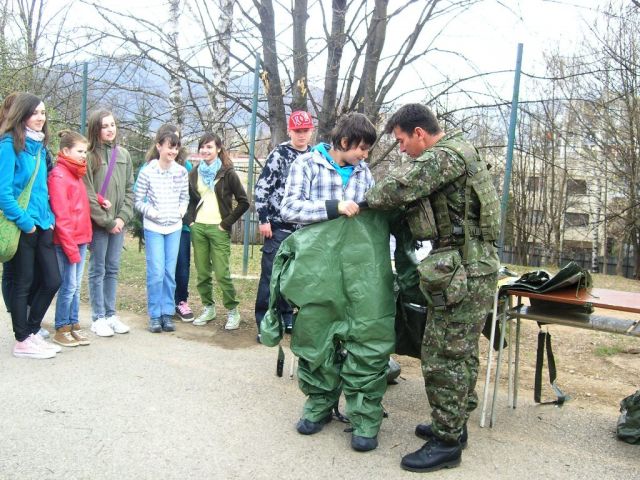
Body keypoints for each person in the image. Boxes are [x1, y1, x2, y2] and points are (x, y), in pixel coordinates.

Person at [365, 103, 501, 472]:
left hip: (464, 270)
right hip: (476, 265)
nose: (401, 149)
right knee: (462, 351)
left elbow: (395, 189)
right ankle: (454, 424)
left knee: (442, 355)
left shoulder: (441, 157)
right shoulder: (463, 148)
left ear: (419, 133)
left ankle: (446, 443)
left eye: (401, 141)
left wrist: (361, 200)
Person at [280, 112, 388, 453]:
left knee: (364, 336)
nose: (365, 156)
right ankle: (319, 403)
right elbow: (289, 208)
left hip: (358, 268)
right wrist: (334, 207)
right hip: (315, 267)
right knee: (316, 334)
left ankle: (364, 415)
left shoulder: (363, 172)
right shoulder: (306, 164)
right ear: (344, 142)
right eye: (362, 149)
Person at [0, 92, 61, 358]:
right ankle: (22, 340)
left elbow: (42, 188)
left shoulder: (41, 147)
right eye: (35, 112)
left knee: (52, 279)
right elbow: (3, 194)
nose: (40, 117)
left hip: (44, 222)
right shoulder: (9, 145)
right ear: (22, 114)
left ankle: (32, 330)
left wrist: (50, 219)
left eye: (43, 113)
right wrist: (26, 223)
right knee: (23, 282)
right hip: (23, 224)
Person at [254, 110, 313, 338]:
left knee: (294, 276)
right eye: (297, 131)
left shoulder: (314, 157)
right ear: (290, 131)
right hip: (278, 226)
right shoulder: (279, 154)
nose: (301, 135)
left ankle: (287, 316)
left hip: (304, 228)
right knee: (271, 276)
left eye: (305, 130)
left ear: (311, 131)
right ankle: (265, 322)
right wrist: (263, 219)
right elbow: (262, 188)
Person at [186, 133, 249, 329]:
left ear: (218, 149)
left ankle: (232, 310)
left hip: (219, 229)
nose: (205, 150)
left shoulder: (227, 173)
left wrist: (226, 223)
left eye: (209, 147)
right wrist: (191, 221)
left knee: (222, 273)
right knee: (203, 273)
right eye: (202, 147)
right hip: (199, 228)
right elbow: (190, 200)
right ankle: (208, 308)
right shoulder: (194, 173)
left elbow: (244, 202)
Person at [83, 109, 135, 337]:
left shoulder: (123, 154)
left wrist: (122, 218)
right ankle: (98, 317)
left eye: (112, 125)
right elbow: (87, 194)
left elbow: (130, 190)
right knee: (98, 269)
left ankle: (111, 314)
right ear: (96, 129)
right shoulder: (88, 156)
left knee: (112, 269)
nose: (110, 129)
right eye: (104, 126)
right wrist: (107, 221)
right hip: (99, 224)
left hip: (118, 224)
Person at [135, 129, 189, 332]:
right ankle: (155, 315)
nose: (173, 151)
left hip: (174, 227)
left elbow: (185, 198)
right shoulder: (147, 171)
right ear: (159, 146)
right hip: (154, 227)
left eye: (176, 148)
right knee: (156, 272)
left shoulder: (181, 172)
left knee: (169, 273)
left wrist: (180, 212)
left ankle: (167, 313)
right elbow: (138, 200)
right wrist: (153, 213)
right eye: (169, 147)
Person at [48, 130, 93, 347]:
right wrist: (71, 247)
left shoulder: (76, 174)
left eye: (85, 152)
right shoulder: (59, 176)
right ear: (66, 151)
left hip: (81, 238)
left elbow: (79, 202)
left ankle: (73, 323)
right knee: (68, 286)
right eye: (80, 151)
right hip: (67, 241)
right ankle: (61, 327)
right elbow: (62, 216)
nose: (84, 155)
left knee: (75, 286)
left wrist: (99, 199)